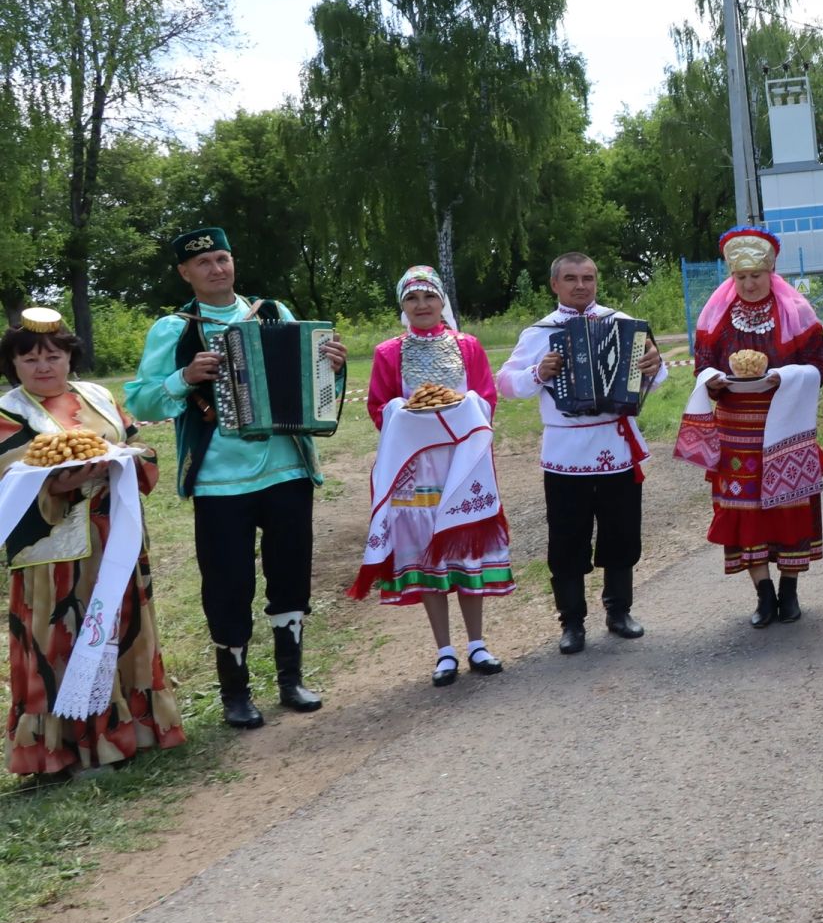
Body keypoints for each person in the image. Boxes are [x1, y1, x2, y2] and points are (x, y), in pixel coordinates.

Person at [125, 227, 344, 729]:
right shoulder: (172, 329)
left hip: (287, 469)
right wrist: (184, 377)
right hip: (219, 482)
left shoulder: (274, 313)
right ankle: (236, 694)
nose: (217, 269)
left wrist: (330, 365)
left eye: (223, 258)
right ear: (185, 273)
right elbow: (139, 399)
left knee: (290, 573)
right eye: (203, 264)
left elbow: (316, 386)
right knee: (228, 585)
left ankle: (291, 680)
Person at [1, 310, 182, 775]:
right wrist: (54, 487)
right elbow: (7, 481)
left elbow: (137, 442)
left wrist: (127, 459)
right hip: (53, 558)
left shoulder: (98, 396)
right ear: (14, 365)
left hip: (116, 539)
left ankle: (135, 731)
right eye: (30, 358)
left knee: (125, 630)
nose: (44, 366)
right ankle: (71, 749)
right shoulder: (8, 413)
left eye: (53, 355)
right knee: (63, 638)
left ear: (69, 357)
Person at [348, 267, 513, 685]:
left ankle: (477, 643)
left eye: (428, 297)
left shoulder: (468, 346)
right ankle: (444, 650)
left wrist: (463, 407)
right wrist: (403, 412)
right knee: (426, 552)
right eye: (412, 299)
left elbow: (486, 397)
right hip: (416, 469)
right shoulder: (389, 352)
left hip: (463, 461)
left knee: (467, 548)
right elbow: (378, 406)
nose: (421, 306)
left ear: (442, 302)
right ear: (402, 306)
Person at [498, 252, 665, 656]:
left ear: (596, 280)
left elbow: (657, 377)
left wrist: (654, 364)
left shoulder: (622, 322)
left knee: (621, 531)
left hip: (614, 444)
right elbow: (505, 383)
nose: (580, 285)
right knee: (567, 538)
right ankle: (571, 622)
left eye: (588, 277)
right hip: (565, 451)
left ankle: (619, 610)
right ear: (554, 284)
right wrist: (539, 372)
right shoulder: (539, 332)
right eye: (571, 278)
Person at [675, 228, 823, 627]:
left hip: (786, 424)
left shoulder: (795, 312)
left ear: (771, 270)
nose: (747, 284)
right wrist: (710, 380)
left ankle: (790, 591)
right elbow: (702, 365)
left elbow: (821, 364)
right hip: (736, 430)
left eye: (755, 276)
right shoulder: (718, 317)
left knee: (789, 505)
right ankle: (763, 594)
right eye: (740, 277)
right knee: (742, 510)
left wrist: (786, 377)